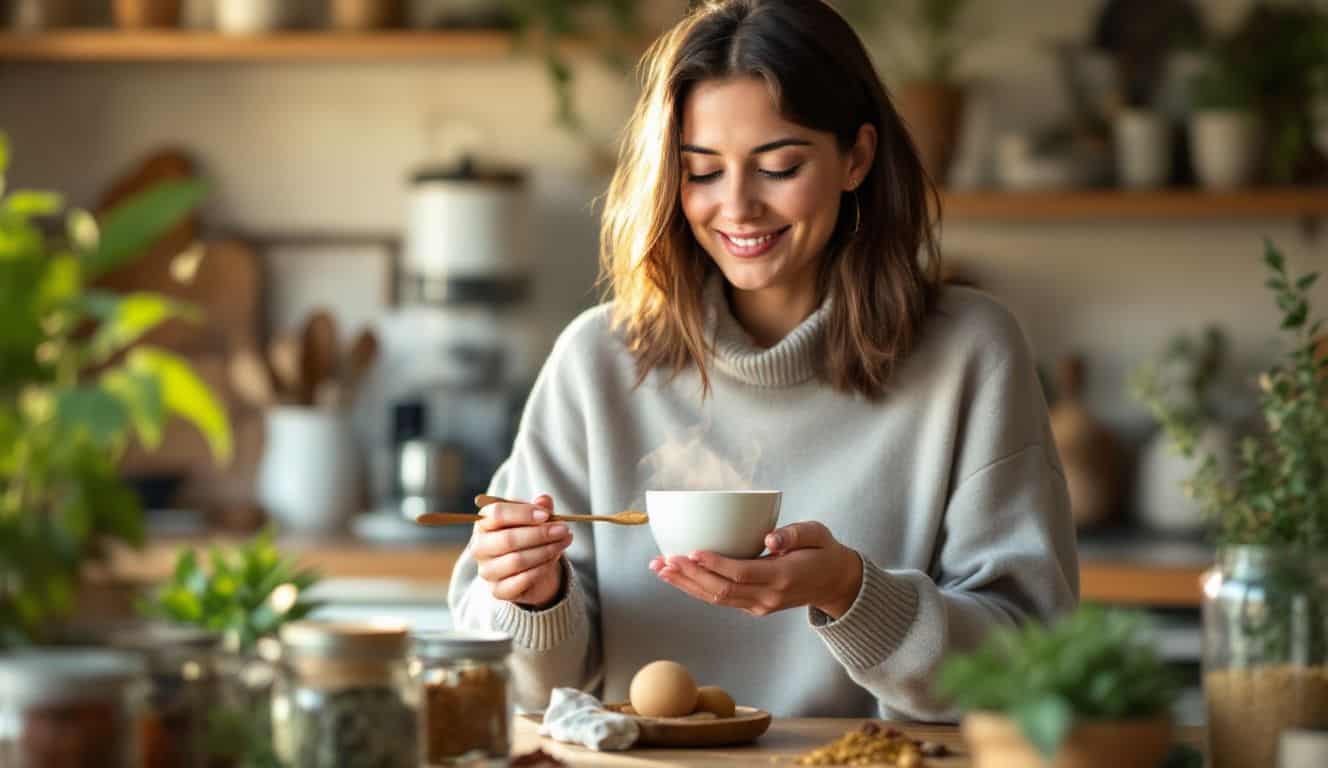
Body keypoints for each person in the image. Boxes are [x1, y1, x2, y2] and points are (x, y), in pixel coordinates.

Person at [449, 0, 1078, 721]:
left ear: (858, 158)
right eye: (703, 172)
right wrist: (535, 599)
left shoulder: (971, 353)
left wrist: (852, 593)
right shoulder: (597, 363)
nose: (738, 206)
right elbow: (522, 691)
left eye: (779, 166)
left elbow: (1032, 663)